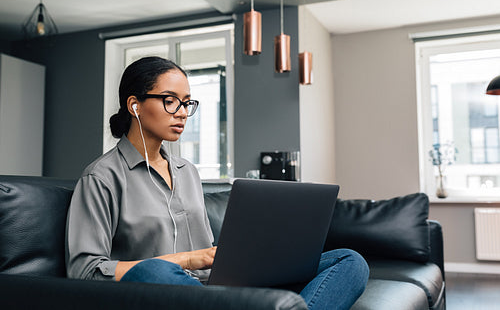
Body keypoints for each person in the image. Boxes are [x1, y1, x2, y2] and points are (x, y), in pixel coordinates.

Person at [65, 56, 369, 309]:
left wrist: (249, 256)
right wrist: (187, 259)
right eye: (170, 101)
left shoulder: (187, 171)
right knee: (156, 269)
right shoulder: (102, 177)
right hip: (162, 293)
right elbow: (84, 271)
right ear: (135, 105)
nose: (183, 113)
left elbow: (209, 253)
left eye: (187, 103)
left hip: (216, 289)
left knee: (349, 260)